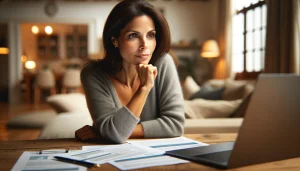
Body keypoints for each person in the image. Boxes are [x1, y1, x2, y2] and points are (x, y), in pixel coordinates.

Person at [75, 0, 185, 144]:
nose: (144, 45)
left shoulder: (163, 63)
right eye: (133, 35)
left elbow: (175, 125)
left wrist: (108, 132)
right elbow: (115, 133)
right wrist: (144, 88)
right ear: (115, 40)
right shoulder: (93, 73)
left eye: (150, 35)